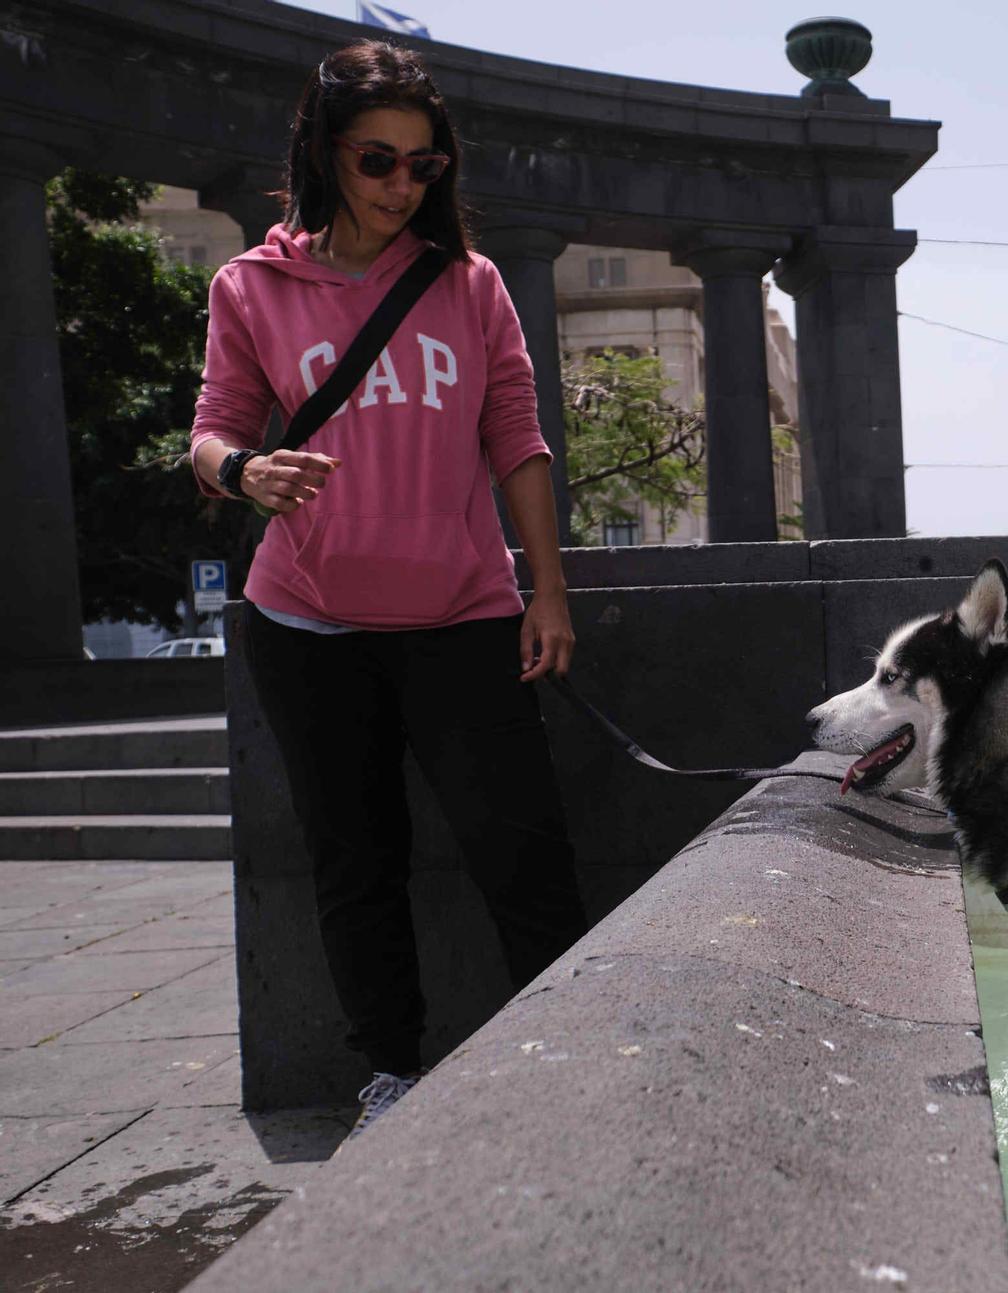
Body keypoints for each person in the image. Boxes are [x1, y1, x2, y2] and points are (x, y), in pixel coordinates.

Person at [188, 40, 588, 1143]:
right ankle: (389, 1077)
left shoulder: (467, 283)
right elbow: (213, 429)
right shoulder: (252, 287)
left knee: (524, 854)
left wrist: (544, 592)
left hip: (462, 614)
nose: (404, 184)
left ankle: (577, 1059)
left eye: (425, 163)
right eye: (379, 161)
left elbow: (516, 435)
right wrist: (246, 471)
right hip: (307, 624)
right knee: (353, 860)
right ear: (324, 153)